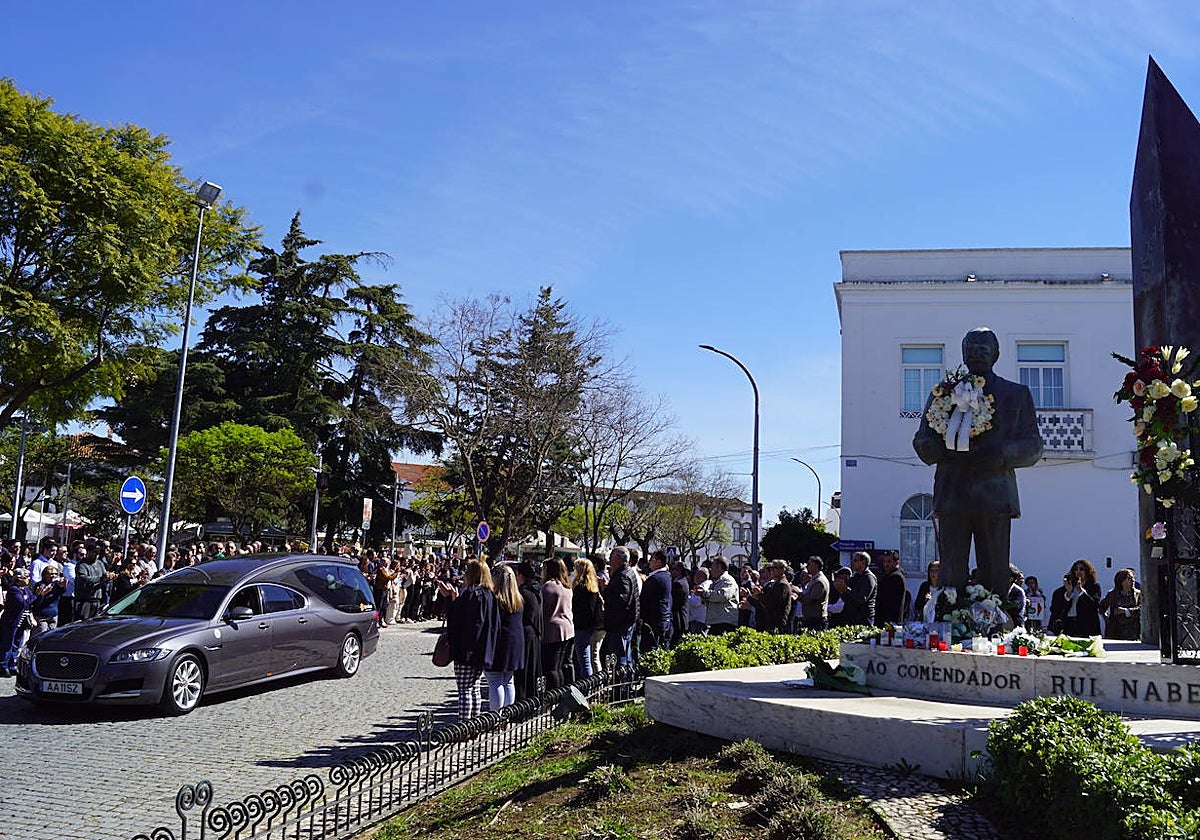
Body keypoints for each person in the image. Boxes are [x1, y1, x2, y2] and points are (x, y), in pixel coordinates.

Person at [912, 327, 1045, 595]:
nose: (976, 355)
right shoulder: (943, 393)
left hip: (995, 493)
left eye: (983, 349)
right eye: (971, 350)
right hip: (953, 493)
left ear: (996, 354)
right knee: (951, 572)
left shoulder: (1015, 394)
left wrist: (1002, 454)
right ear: (963, 353)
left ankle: (995, 628)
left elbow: (1033, 446)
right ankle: (950, 623)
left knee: (995, 572)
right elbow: (921, 439)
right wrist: (941, 447)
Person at [443, 560, 499, 721]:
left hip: (466, 648)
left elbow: (457, 620)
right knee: (474, 688)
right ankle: (474, 724)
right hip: (483, 649)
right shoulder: (490, 595)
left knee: (465, 689)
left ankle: (464, 725)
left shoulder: (470, 594)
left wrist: (451, 600)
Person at [485, 564, 525, 711]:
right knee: (508, 681)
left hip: (499, 644)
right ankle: (506, 716)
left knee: (495, 681)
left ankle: (496, 716)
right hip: (515, 643)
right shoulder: (518, 599)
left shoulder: (495, 600)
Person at [601, 547, 640, 668]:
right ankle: (626, 682)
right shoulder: (627, 572)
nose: (609, 559)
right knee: (624, 654)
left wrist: (606, 593)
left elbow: (621, 600)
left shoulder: (622, 575)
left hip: (620, 623)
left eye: (611, 556)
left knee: (619, 657)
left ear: (617, 559)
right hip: (627, 621)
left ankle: (621, 684)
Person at [540, 557, 575, 690]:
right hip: (567, 629)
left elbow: (543, 608)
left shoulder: (548, 586)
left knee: (551, 667)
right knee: (561, 665)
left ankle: (554, 695)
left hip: (552, 630)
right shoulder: (566, 586)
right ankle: (564, 692)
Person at [1049, 559, 1102, 637]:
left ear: (1087, 571)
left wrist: (1081, 591)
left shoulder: (1094, 587)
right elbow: (1056, 608)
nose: (1078, 571)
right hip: (1068, 624)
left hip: (1086, 625)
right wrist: (1068, 593)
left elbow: (1094, 606)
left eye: (1081, 569)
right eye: (1075, 569)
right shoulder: (1065, 588)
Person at [514, 560, 543, 701]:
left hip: (524, 634)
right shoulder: (537, 589)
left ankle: (522, 704)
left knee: (523, 674)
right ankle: (532, 701)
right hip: (536, 633)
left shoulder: (523, 592)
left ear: (520, 575)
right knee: (533, 672)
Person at [571, 558, 603, 679]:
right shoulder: (593, 587)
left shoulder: (580, 588)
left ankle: (586, 687)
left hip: (581, 626)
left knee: (584, 660)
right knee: (588, 658)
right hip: (590, 626)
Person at [0, 568, 35, 677]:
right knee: (8, 644)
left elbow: (29, 600)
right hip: (11, 621)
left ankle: (12, 665)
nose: (28, 579)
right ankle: (3, 666)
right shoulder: (14, 590)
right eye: (26, 576)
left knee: (16, 644)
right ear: (19, 578)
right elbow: (21, 603)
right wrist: (37, 595)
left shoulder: (25, 589)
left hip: (22, 621)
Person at [748, 560, 796, 633]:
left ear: (782, 569)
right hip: (771, 622)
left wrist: (760, 595)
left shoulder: (782, 584)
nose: (771, 571)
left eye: (773, 568)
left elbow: (774, 604)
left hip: (777, 623)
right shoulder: (776, 583)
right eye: (770, 568)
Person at [639, 549, 672, 652]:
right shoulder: (666, 576)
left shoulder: (655, 579)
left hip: (653, 621)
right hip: (664, 620)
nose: (649, 562)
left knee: (650, 650)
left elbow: (644, 600)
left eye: (652, 559)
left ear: (658, 562)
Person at [1099, 567, 1142, 640]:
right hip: (1116, 631)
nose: (1133, 581)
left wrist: (1125, 611)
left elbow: (1141, 609)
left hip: (1134, 631)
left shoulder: (1138, 594)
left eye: (1133, 578)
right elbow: (1101, 607)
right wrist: (1107, 619)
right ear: (1122, 581)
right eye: (1129, 578)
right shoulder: (1112, 594)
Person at [703, 558, 739, 635]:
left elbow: (723, 596)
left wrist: (705, 593)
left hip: (724, 622)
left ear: (719, 567)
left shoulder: (727, 580)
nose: (710, 570)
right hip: (717, 621)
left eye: (712, 567)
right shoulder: (718, 581)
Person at [842, 551, 877, 626]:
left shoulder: (869, 578)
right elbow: (847, 599)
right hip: (852, 618)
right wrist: (842, 590)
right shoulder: (855, 577)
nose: (853, 563)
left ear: (863, 562)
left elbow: (862, 598)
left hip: (864, 619)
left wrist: (847, 590)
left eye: (855, 560)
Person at [798, 556, 829, 631]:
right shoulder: (814, 579)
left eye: (809, 564)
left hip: (816, 620)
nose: (807, 566)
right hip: (812, 619)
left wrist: (798, 593)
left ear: (816, 565)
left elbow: (812, 599)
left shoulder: (819, 581)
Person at [875, 552, 907, 625]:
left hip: (889, 619)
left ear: (896, 563)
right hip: (886, 619)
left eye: (889, 561)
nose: (886, 564)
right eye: (884, 561)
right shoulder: (888, 575)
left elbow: (888, 601)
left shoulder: (896, 577)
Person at [687, 567, 710, 634]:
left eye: (697, 575)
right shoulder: (707, 584)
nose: (695, 577)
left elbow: (696, 602)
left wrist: (686, 597)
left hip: (698, 620)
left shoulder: (703, 586)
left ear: (704, 576)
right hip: (701, 619)